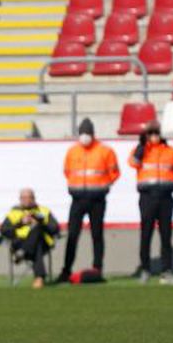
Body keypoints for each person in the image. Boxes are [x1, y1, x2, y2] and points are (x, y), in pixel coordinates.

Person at [57, 117, 119, 282]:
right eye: (82, 133)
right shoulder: (72, 151)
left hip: (97, 199)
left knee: (97, 235)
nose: (85, 136)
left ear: (93, 134)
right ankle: (66, 270)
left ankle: (97, 268)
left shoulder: (105, 151)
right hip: (77, 199)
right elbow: (67, 171)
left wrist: (104, 186)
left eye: (87, 133)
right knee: (72, 235)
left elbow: (114, 173)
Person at [128, 120, 173, 285]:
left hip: (166, 197)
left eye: (156, 133)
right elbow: (132, 163)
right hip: (147, 197)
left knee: (166, 235)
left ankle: (166, 271)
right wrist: (141, 148)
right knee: (146, 234)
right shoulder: (141, 150)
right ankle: (145, 269)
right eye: (151, 133)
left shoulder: (170, 151)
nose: (154, 136)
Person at [0, 188, 60, 289]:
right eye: (24, 198)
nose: (27, 200)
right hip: (20, 242)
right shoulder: (14, 212)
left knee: (37, 230)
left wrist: (41, 223)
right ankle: (39, 278)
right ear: (20, 199)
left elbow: (55, 229)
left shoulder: (43, 211)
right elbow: (4, 230)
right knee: (36, 247)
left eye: (29, 198)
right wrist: (21, 223)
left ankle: (23, 253)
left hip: (42, 242)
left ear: (34, 198)